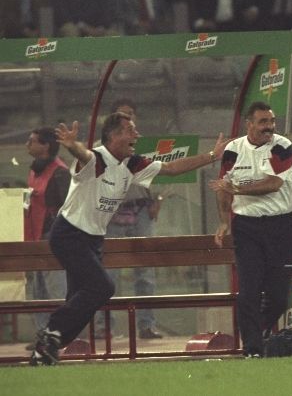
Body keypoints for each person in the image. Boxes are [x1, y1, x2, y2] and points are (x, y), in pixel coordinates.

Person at [29, 112, 229, 366]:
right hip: (69, 234)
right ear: (113, 136)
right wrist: (72, 145)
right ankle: (51, 333)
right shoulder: (98, 159)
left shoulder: (132, 163)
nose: (137, 135)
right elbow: (84, 155)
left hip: (92, 240)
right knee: (102, 287)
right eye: (130, 130)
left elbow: (170, 168)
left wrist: (212, 155)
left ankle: (45, 351)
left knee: (80, 301)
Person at [208, 102, 292, 358]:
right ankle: (253, 349)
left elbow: (273, 183)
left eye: (271, 122)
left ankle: (259, 331)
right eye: (263, 122)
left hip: (280, 226)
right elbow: (223, 187)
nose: (269, 127)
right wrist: (225, 220)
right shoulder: (233, 151)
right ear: (249, 124)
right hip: (246, 228)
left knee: (279, 296)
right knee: (248, 291)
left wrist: (237, 189)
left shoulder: (282, 147)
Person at [94, 99, 163, 340]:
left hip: (140, 209)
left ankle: (147, 324)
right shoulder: (100, 150)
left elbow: (159, 174)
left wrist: (157, 198)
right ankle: (105, 327)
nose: (128, 119)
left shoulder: (140, 148)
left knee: (145, 270)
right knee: (108, 272)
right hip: (112, 213)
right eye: (121, 115)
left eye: (131, 115)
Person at [24, 127, 70, 332]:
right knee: (38, 288)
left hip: (52, 236)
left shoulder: (60, 172)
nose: (28, 144)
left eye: (32, 141)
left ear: (46, 146)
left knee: (55, 288)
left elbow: (67, 206)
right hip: (35, 236)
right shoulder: (35, 169)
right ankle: (42, 333)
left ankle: (59, 332)